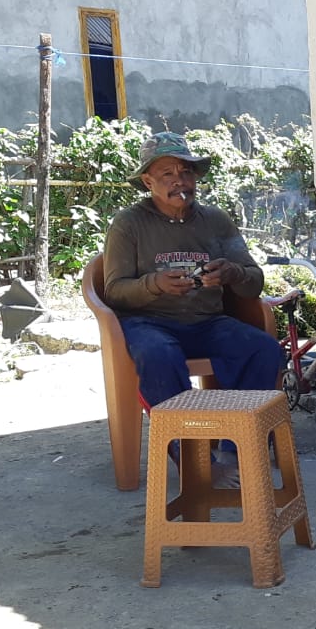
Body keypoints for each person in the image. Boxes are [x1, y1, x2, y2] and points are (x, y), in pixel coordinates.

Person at [102, 132, 282, 477]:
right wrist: (155, 284)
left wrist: (231, 272)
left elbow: (254, 279)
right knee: (158, 355)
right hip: (149, 322)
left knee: (264, 349)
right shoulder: (128, 224)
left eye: (185, 172)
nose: (179, 181)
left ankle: (236, 450)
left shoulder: (216, 220)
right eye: (167, 174)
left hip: (207, 321)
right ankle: (193, 458)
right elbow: (113, 292)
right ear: (147, 181)